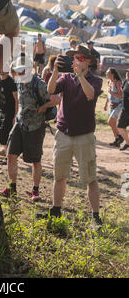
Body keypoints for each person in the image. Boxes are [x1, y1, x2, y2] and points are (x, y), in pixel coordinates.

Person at [46, 44, 103, 226]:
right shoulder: (66, 77)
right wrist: (55, 71)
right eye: (74, 58)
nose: (75, 62)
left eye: (79, 58)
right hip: (63, 133)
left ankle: (95, 217)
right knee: (59, 175)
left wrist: (79, 74)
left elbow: (90, 95)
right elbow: (50, 90)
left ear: (88, 61)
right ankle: (55, 211)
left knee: (90, 178)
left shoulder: (95, 80)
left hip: (84, 136)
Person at [0, 58, 59, 201]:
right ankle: (12, 188)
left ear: (28, 69)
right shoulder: (19, 82)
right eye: (16, 71)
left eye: (21, 70)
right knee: (11, 155)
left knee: (35, 160)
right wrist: (15, 116)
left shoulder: (39, 84)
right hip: (20, 124)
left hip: (35, 126)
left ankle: (35, 191)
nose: (18, 73)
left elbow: (56, 99)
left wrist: (44, 108)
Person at [0, 71, 18, 163]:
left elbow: (16, 100)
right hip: (1, 110)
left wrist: (15, 115)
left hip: (10, 111)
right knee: (1, 133)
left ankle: (8, 157)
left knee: (5, 132)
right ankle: (6, 152)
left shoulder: (11, 82)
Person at [104, 68, 123, 147]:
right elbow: (108, 95)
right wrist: (106, 104)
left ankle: (120, 136)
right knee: (112, 124)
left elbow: (121, 95)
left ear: (112, 74)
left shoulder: (118, 83)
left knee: (110, 122)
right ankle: (117, 140)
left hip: (119, 105)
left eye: (107, 73)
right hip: (112, 105)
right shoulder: (109, 82)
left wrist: (111, 92)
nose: (106, 74)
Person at [116, 69, 129, 151]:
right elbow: (122, 92)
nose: (127, 74)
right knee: (120, 126)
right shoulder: (125, 82)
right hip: (125, 109)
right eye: (127, 72)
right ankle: (128, 143)